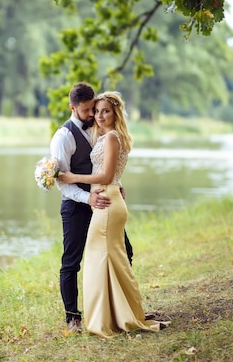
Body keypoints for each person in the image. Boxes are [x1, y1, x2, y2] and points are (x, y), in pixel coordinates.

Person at [58, 91, 166, 338]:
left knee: (102, 258)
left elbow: (106, 176)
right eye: (96, 111)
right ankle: (120, 312)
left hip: (105, 202)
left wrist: (74, 177)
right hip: (107, 198)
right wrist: (116, 182)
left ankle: (110, 318)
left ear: (115, 113)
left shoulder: (111, 137)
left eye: (105, 111)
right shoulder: (105, 136)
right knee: (112, 258)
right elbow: (111, 172)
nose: (98, 116)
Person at [50, 82, 134, 335]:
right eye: (87, 110)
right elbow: (63, 183)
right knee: (71, 262)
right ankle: (72, 318)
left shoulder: (102, 129)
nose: (92, 115)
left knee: (124, 251)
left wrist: (115, 184)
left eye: (94, 109)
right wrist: (88, 199)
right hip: (77, 206)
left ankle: (123, 308)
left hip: (104, 203)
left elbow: (107, 165)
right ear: (72, 107)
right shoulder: (63, 137)